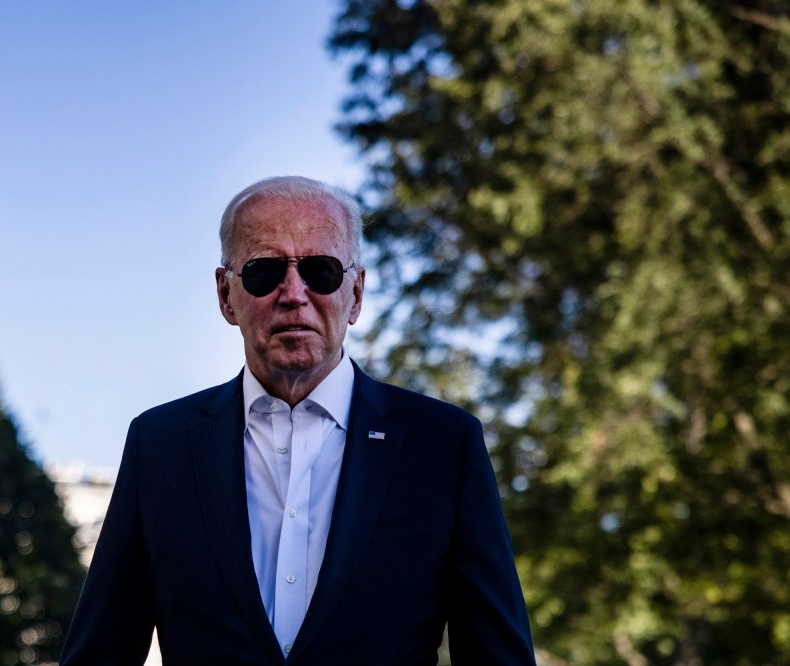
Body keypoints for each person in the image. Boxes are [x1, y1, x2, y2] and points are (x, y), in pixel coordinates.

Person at [61, 176, 535, 665]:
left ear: (356, 293)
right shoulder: (160, 446)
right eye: (264, 271)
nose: (293, 293)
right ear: (226, 294)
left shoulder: (442, 446)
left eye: (321, 271)